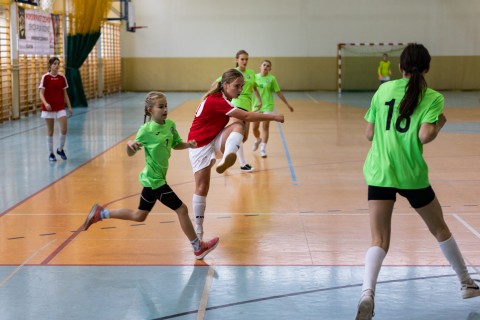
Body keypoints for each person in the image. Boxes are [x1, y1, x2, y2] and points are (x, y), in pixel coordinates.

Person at [355, 43, 480, 320]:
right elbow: (425, 136)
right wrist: (439, 124)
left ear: (400, 68)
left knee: (379, 239)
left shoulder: (383, 90)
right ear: (427, 68)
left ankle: (367, 293)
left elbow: (368, 134)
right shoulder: (432, 97)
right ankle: (466, 283)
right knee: (440, 229)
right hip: (411, 175)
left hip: (379, 172)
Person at [83, 92, 219, 260]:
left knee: (139, 216)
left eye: (165, 106)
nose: (164, 109)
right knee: (182, 210)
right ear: (149, 110)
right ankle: (198, 247)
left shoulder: (170, 125)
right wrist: (129, 144)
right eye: (160, 107)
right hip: (155, 181)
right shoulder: (145, 130)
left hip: (151, 181)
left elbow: (176, 144)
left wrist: (188, 145)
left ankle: (101, 214)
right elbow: (130, 152)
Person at [189, 68, 284, 240]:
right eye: (237, 86)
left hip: (214, 139)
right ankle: (198, 233)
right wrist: (274, 117)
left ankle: (227, 157)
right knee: (202, 188)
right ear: (225, 85)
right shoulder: (216, 101)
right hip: (200, 145)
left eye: (242, 86)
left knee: (238, 125)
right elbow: (247, 114)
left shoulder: (225, 98)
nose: (240, 90)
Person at [214, 50, 262, 172]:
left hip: (248, 106)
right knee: (239, 134)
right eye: (242, 59)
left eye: (246, 59)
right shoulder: (233, 73)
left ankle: (224, 156)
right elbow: (217, 83)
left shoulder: (251, 73)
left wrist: (259, 100)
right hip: (236, 104)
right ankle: (242, 163)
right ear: (237, 59)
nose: (244, 61)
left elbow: (255, 88)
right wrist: (219, 98)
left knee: (244, 137)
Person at [251, 59, 294, 158]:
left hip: (268, 105)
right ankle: (258, 139)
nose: (265, 67)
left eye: (268, 66)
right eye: (264, 65)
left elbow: (278, 92)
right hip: (257, 105)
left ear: (270, 68)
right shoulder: (254, 77)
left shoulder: (272, 79)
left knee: (265, 127)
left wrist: (287, 104)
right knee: (254, 128)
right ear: (260, 66)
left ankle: (263, 148)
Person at [39, 57, 73, 161]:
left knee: (64, 129)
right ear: (50, 65)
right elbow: (41, 93)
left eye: (58, 63)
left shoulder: (62, 77)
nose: (57, 65)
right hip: (49, 108)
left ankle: (60, 149)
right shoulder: (45, 77)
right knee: (50, 131)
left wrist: (70, 107)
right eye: (54, 63)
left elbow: (65, 94)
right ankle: (51, 154)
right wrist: (46, 103)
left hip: (60, 107)